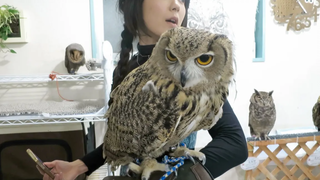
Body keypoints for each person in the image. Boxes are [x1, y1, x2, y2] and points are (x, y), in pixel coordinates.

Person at [39, 0, 248, 179]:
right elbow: (125, 141)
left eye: (183, 0)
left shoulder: (193, 73)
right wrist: (79, 166)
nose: (176, 5)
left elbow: (234, 143)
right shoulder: (127, 68)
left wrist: (179, 173)